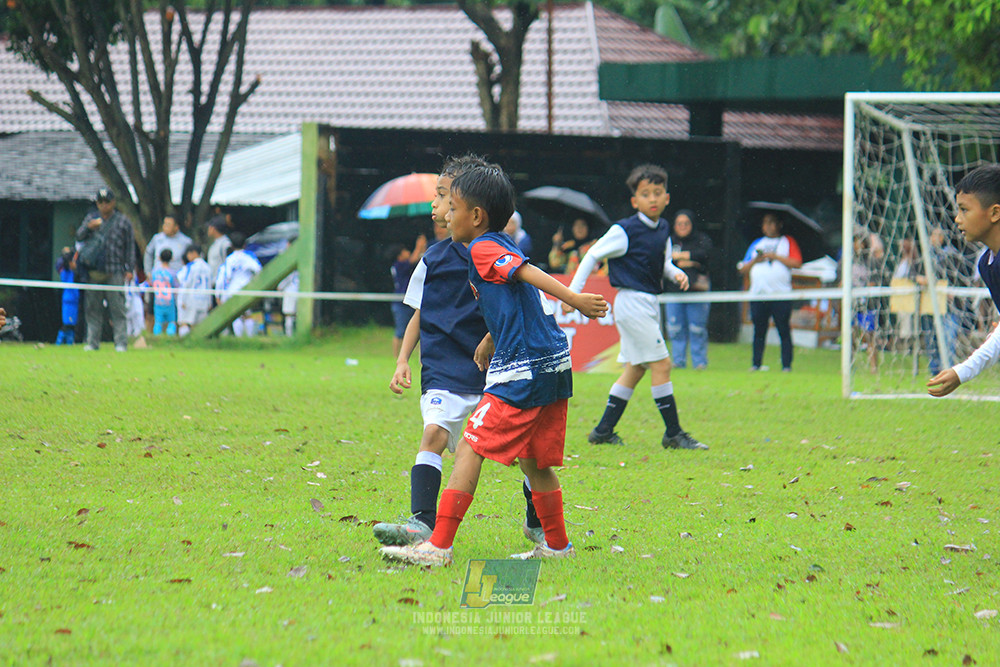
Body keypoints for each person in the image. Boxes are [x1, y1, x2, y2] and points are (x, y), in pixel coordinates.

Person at [380, 163, 607, 566]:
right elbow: (514, 296)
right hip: (553, 363)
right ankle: (557, 546)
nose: (446, 215)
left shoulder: (484, 247)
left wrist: (576, 300)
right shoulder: (499, 242)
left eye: (453, 208)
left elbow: (526, 274)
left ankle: (439, 546)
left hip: (522, 368)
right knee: (534, 462)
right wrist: (489, 338)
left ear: (476, 216)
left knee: (469, 445)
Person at [375, 154, 543, 549]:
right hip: (444, 366)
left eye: (445, 197)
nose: (438, 206)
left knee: (527, 454)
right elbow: (419, 311)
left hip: (495, 370)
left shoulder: (500, 253)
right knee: (433, 434)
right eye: (437, 198)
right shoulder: (431, 259)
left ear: (472, 209)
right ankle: (422, 521)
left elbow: (521, 303)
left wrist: (493, 336)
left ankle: (537, 522)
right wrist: (402, 359)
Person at [567, 164, 708, 451]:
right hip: (632, 302)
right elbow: (592, 254)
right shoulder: (624, 229)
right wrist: (572, 294)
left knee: (636, 368)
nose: (652, 198)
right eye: (646, 194)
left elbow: (662, 261)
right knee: (663, 364)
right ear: (635, 201)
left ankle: (603, 430)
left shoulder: (664, 228)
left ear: (667, 197)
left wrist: (674, 272)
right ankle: (673, 433)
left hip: (648, 303)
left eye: (658, 193)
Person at [929, 164, 1000, 397]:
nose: (957, 219)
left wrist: (962, 372)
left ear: (994, 213)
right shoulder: (986, 263)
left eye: (964, 210)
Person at [738, 211, 803, 372]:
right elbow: (743, 269)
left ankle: (786, 365)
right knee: (759, 331)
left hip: (781, 294)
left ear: (779, 225)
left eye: (772, 222)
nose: (768, 226)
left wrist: (776, 256)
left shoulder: (787, 242)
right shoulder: (756, 244)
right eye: (765, 223)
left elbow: (797, 262)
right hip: (759, 294)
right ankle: (756, 364)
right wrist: (756, 260)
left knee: (783, 330)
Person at [75, 188, 135, 352]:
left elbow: (130, 247)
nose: (103, 205)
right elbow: (79, 236)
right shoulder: (91, 218)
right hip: (93, 270)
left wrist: (130, 268)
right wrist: (89, 227)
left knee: (117, 308)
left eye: (106, 202)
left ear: (113, 202)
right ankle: (93, 342)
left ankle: (121, 343)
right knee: (93, 308)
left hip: (114, 270)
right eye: (100, 202)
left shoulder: (123, 221)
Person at [666, 209, 714, 369]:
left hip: (697, 292)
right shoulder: (669, 241)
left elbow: (706, 254)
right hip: (674, 292)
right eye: (679, 224)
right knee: (675, 329)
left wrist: (684, 258)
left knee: (697, 328)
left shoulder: (701, 239)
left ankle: (700, 363)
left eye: (686, 223)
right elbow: (664, 259)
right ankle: (678, 362)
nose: (683, 227)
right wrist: (690, 260)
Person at [215, 232, 262, 337]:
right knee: (248, 315)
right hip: (247, 289)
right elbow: (259, 270)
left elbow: (224, 278)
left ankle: (238, 338)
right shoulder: (250, 257)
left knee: (236, 316)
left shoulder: (229, 259)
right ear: (244, 245)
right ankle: (249, 339)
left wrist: (218, 295)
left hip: (232, 291)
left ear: (231, 246)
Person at [389, 235, 427, 357]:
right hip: (400, 303)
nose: (408, 252)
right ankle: (396, 356)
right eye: (405, 251)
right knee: (400, 332)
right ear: (399, 256)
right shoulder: (399, 265)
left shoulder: (405, 266)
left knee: (418, 328)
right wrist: (418, 246)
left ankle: (415, 355)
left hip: (408, 302)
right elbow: (413, 259)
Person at [176, 243, 212, 336]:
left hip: (190, 299)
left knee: (185, 322)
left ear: (193, 253)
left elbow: (185, 283)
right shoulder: (207, 267)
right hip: (203, 300)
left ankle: (184, 344)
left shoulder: (190, 267)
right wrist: (209, 302)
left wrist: (182, 300)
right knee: (198, 325)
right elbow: (209, 285)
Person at [150, 248, 179, 336]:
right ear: (172, 259)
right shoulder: (172, 273)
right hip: (170, 301)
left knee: (158, 322)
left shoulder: (155, 272)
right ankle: (170, 338)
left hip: (158, 300)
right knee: (171, 321)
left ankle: (157, 338)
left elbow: (151, 283)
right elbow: (176, 286)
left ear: (159, 258)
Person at [55, 247, 80, 345]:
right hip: (69, 300)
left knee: (72, 324)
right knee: (66, 324)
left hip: (74, 299)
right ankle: (58, 342)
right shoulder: (65, 271)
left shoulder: (74, 272)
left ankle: (70, 342)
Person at [205, 217, 232, 290]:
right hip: (213, 283)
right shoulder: (216, 243)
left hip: (221, 284)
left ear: (213, 228)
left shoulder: (225, 244)